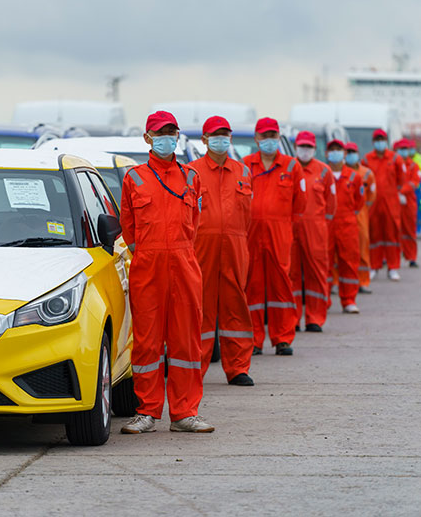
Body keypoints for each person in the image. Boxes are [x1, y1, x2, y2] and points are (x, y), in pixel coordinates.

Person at [120, 110, 214, 434]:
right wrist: (147, 255)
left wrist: (180, 253)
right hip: (148, 266)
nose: (167, 138)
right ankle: (146, 412)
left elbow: (195, 225)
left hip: (184, 264)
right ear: (147, 138)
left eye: (171, 132)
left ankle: (185, 413)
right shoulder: (134, 178)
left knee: (186, 341)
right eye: (160, 133)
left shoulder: (191, 177)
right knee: (146, 343)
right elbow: (128, 228)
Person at [190, 116, 255, 386]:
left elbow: (248, 216)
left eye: (225, 134)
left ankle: (238, 367)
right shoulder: (191, 172)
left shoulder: (242, 172)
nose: (222, 139)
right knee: (199, 307)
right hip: (201, 246)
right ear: (205, 140)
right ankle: (196, 367)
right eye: (216, 135)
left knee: (235, 306)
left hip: (235, 245)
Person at [243, 117, 306, 356]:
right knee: (253, 285)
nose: (269, 140)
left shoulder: (291, 166)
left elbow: (300, 203)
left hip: (280, 232)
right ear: (257, 138)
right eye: (264, 136)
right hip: (251, 232)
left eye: (272, 136)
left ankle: (282, 338)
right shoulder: (246, 165)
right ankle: (255, 340)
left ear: (278, 138)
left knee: (282, 285)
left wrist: (288, 228)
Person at [289, 130, 335, 332]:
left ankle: (315, 318)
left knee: (316, 273)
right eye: (301, 146)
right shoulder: (289, 168)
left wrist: (319, 225)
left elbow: (331, 206)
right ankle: (293, 318)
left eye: (308, 147)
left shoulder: (324, 171)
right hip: (290, 228)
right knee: (291, 274)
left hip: (315, 229)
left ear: (314, 149)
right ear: (295, 147)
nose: (305, 150)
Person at [361, 129, 405, 281]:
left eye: (382, 139)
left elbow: (401, 179)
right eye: (377, 139)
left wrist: (398, 194)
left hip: (391, 204)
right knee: (374, 236)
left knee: (391, 236)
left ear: (386, 141)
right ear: (374, 142)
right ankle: (374, 266)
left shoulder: (394, 158)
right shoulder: (366, 159)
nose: (380, 142)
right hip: (373, 204)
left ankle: (393, 267)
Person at [325, 140, 364, 313]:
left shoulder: (355, 177)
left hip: (347, 225)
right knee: (324, 263)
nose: (335, 153)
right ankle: (323, 300)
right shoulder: (322, 174)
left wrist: (347, 217)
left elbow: (359, 202)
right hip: (326, 225)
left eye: (338, 150)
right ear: (327, 154)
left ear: (344, 154)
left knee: (348, 263)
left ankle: (349, 300)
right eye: (332, 150)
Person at [345, 142, 376, 294]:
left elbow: (371, 195)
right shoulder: (338, 173)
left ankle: (363, 281)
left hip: (361, 216)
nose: (350, 155)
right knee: (342, 253)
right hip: (343, 217)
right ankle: (338, 283)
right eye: (347, 152)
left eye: (352, 152)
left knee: (362, 248)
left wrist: (363, 209)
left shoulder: (367, 173)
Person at [396, 139, 421, 267]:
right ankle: (394, 257)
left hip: (409, 202)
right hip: (395, 201)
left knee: (410, 230)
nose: (404, 152)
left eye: (406, 149)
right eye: (401, 149)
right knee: (394, 230)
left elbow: (414, 182)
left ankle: (411, 257)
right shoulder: (394, 164)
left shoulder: (413, 166)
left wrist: (401, 191)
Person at [410, 142, 421, 237]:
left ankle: (418, 230)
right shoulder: (401, 159)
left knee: (419, 208)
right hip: (406, 190)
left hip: (417, 190)